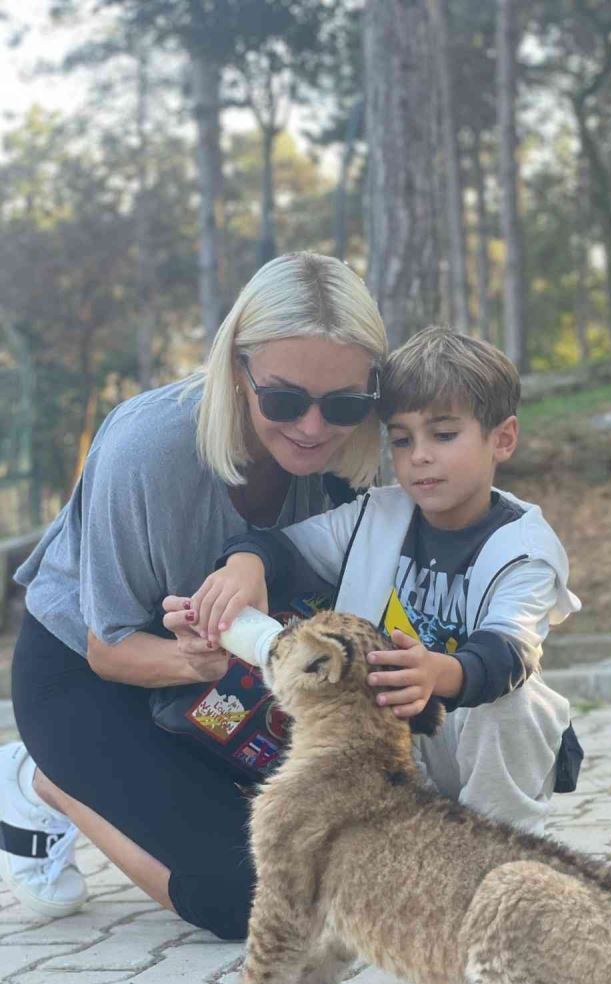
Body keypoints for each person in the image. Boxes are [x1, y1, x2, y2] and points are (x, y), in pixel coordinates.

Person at [0, 252, 388, 940]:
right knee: (248, 897)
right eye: (286, 399)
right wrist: (194, 662)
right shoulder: (146, 446)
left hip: (230, 681)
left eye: (347, 404)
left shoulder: (352, 460)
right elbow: (106, 646)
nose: (314, 427)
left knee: (337, 854)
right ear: (237, 371)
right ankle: (39, 776)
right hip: (91, 674)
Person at [191, 326, 582, 834]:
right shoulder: (378, 514)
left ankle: (503, 848)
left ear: (501, 439)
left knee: (518, 703)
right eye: (401, 439)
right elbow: (281, 549)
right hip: (384, 735)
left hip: (463, 736)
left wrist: (435, 674)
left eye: (443, 435)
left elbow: (509, 653)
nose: (419, 455)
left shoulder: (525, 548)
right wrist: (246, 563)